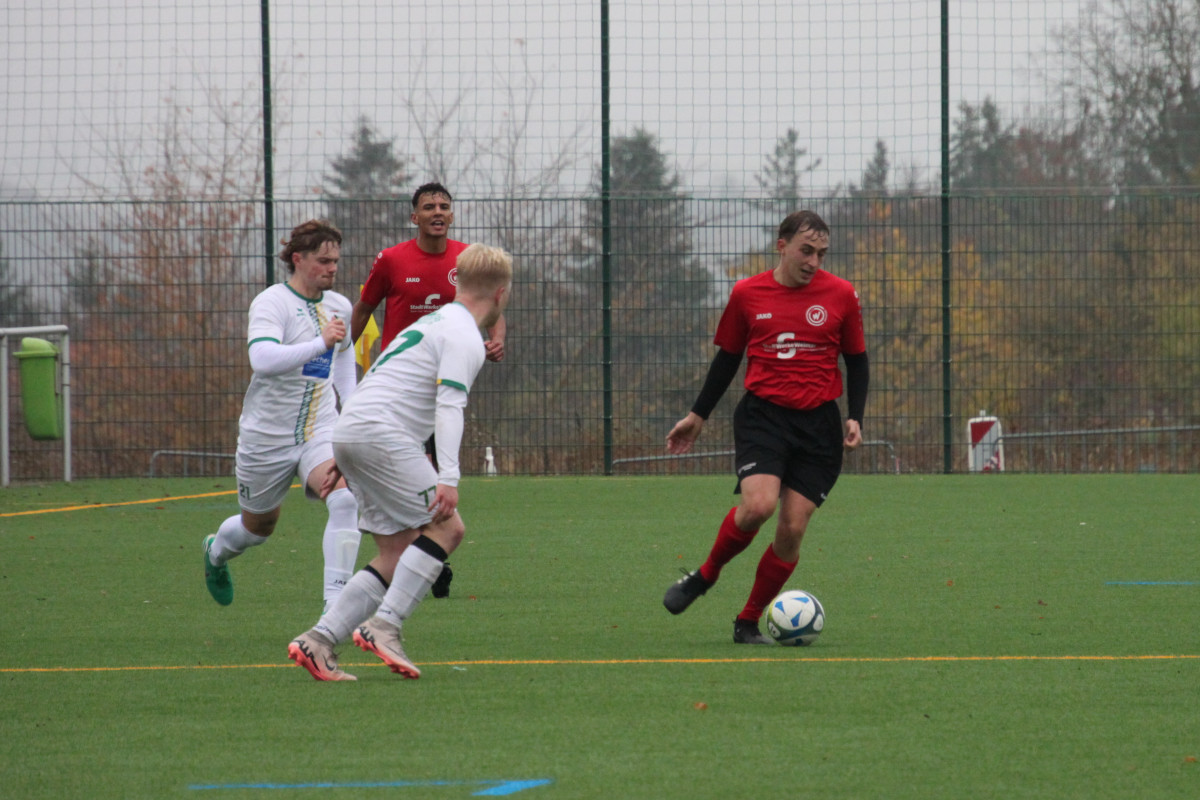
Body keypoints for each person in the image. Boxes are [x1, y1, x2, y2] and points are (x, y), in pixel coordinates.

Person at [288, 242, 513, 681]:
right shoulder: (465, 335)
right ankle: (384, 626)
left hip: (353, 428)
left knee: (396, 550)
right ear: (501, 294)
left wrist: (348, 450)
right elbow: (449, 407)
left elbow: (383, 380)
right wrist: (448, 477)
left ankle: (318, 640)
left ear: (458, 284)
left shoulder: (434, 320)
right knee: (448, 528)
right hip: (380, 435)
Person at [661, 210, 869, 645]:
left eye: (821, 254)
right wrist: (697, 416)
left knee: (792, 528)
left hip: (819, 427)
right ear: (782, 245)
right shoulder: (746, 293)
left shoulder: (842, 295)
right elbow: (727, 359)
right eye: (806, 251)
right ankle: (706, 575)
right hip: (764, 418)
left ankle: (748, 621)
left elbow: (857, 360)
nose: (814, 261)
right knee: (758, 507)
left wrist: (855, 417)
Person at [349, 182, 507, 599]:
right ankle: (423, 557)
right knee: (418, 478)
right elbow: (364, 308)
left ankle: (423, 555)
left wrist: (497, 337)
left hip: (446, 381)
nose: (437, 212)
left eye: (444, 206)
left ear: (452, 215)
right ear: (413, 216)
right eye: (428, 207)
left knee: (434, 472)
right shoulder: (392, 260)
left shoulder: (467, 258)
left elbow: (494, 305)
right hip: (404, 390)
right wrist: (347, 357)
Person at [202, 220, 361, 613]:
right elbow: (263, 359)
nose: (332, 268)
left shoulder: (339, 306)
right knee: (257, 530)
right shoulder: (273, 302)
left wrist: (350, 417)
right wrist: (319, 342)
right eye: (323, 261)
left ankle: (334, 608)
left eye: (335, 261)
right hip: (266, 438)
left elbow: (343, 362)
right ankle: (216, 553)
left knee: (344, 501)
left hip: (318, 430)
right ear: (298, 259)